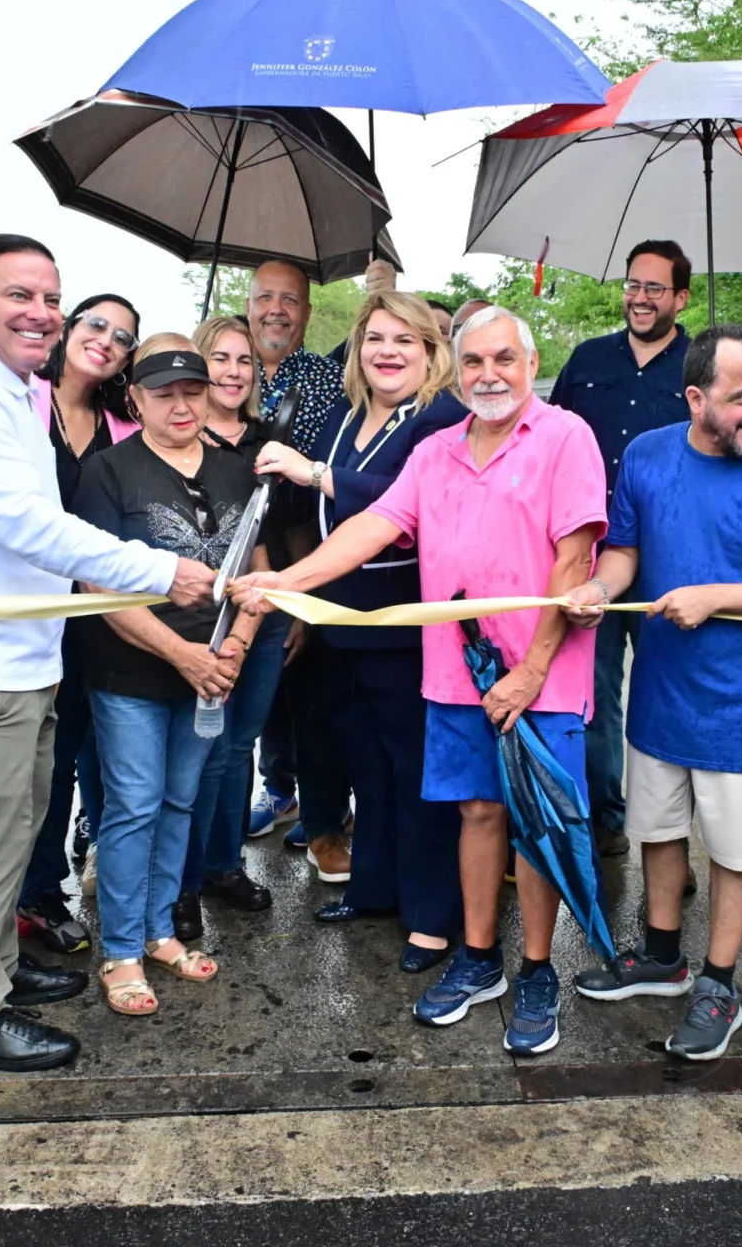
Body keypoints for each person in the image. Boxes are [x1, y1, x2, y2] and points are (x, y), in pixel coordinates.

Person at [234, 306, 607, 1055]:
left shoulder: (567, 435)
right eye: (474, 363)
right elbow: (369, 529)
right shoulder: (435, 450)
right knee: (474, 813)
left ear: (529, 364)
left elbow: (574, 563)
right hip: (455, 672)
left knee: (535, 828)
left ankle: (535, 970)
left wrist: (531, 671)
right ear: (457, 370)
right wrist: (283, 585)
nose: (489, 375)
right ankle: (478, 960)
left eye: (504, 359)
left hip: (542, 673)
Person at [0, 234, 213, 1073]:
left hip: (19, 664)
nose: (39, 313)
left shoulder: (11, 391)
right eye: (17, 296)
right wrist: (160, 572)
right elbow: (31, 527)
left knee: (12, 833)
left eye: (49, 298)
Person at [565, 324, 742, 1060]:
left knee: (733, 849)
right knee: (656, 826)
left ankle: (719, 984)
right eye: (741, 395)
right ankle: (662, 955)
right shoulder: (649, 454)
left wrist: (712, 596)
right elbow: (624, 549)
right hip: (659, 690)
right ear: (695, 397)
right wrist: (598, 587)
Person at [255, 291, 468, 972]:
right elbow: (303, 498)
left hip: (404, 625)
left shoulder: (442, 420)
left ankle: (429, 912)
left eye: (404, 340)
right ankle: (373, 889)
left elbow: (404, 504)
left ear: (430, 352)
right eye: (375, 338)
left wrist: (313, 473)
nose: (387, 352)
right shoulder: (343, 420)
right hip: (336, 626)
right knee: (366, 773)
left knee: (417, 775)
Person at [73, 335, 255, 1015]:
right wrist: (182, 655)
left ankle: (156, 932)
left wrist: (235, 642)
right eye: (163, 393)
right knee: (133, 807)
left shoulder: (238, 470)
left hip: (213, 672)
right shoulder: (108, 472)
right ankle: (119, 949)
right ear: (136, 398)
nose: (181, 404)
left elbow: (252, 572)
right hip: (133, 670)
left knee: (181, 802)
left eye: (192, 390)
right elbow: (97, 583)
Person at [549, 239, 693, 856]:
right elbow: (551, 444)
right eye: (633, 285)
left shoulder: (700, 367)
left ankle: (670, 840)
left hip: (672, 556)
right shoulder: (586, 359)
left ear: (680, 298)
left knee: (668, 694)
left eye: (654, 288)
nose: (640, 297)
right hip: (592, 557)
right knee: (594, 692)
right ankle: (606, 813)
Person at [14, 293, 143, 955]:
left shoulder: (124, 424)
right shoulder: (16, 400)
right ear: (67, 328)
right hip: (29, 613)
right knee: (44, 761)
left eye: (122, 336)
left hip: (102, 615)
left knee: (92, 755)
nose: (107, 339)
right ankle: (35, 891)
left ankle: (73, 875)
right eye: (97, 323)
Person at [176, 317, 295, 929]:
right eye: (219, 358)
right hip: (201, 617)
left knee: (239, 744)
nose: (232, 371)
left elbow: (282, 534)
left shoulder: (269, 444)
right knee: (206, 749)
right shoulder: (179, 435)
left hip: (266, 607)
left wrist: (285, 606)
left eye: (244, 360)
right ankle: (186, 879)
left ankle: (225, 865)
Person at [243, 261, 351, 882]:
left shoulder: (330, 380)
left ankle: (325, 822)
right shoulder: (222, 361)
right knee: (241, 696)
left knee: (313, 691)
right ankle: (263, 794)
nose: (277, 310)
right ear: (248, 303)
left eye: (291, 300)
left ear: (308, 312)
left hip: (305, 547)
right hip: (228, 547)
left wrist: (305, 575)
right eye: (265, 298)